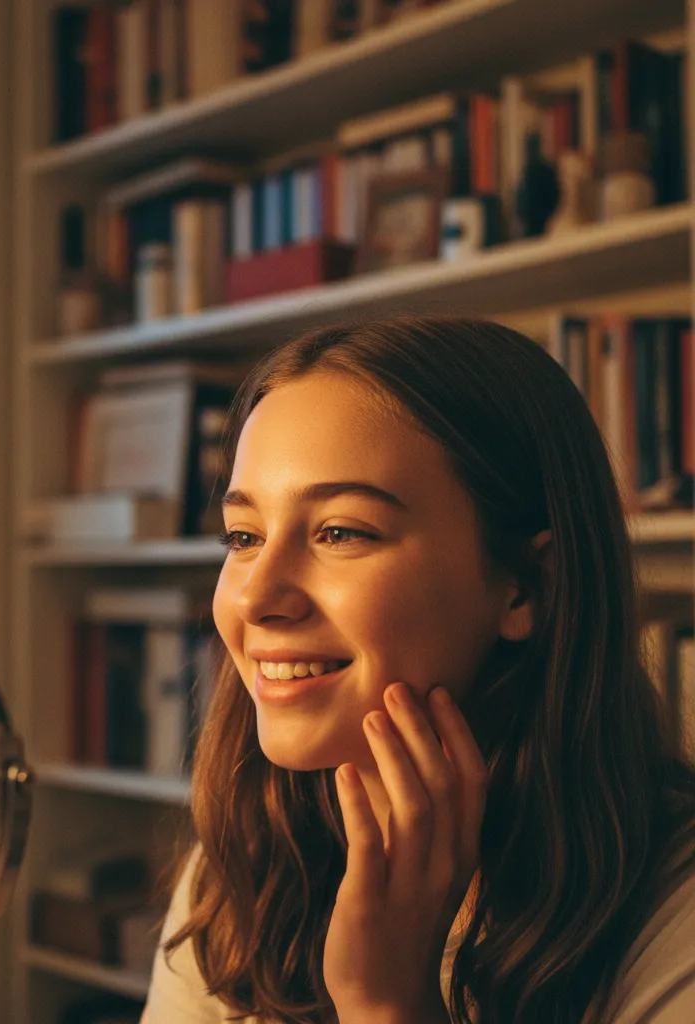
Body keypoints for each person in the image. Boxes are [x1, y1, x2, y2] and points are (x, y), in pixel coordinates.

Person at [139, 315, 695, 1024]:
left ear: (527, 587)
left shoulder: (673, 911)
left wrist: (386, 1001)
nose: (254, 597)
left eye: (340, 532)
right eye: (243, 536)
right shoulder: (244, 866)